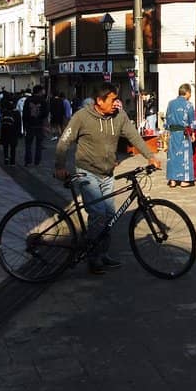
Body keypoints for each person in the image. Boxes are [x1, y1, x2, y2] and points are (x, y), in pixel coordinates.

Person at [54, 82, 163, 275]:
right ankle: (92, 257)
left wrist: (150, 156)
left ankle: (102, 253)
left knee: (109, 215)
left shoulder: (119, 116)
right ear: (99, 101)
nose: (116, 103)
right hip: (87, 172)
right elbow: (64, 141)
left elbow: (134, 136)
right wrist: (60, 166)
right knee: (98, 213)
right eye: (112, 100)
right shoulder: (81, 117)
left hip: (107, 173)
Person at [164, 84, 196, 187]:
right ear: (187, 92)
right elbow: (192, 121)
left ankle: (172, 180)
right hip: (183, 134)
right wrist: (193, 133)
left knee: (172, 156)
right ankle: (184, 180)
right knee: (185, 156)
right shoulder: (188, 105)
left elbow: (167, 119)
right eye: (190, 93)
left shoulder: (171, 103)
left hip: (173, 134)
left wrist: (167, 132)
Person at [23, 85, 48, 166]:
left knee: (28, 144)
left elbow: (24, 113)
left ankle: (28, 160)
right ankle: (37, 161)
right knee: (39, 144)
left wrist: (24, 125)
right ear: (40, 91)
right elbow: (46, 113)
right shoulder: (43, 101)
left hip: (29, 125)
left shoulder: (28, 100)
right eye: (42, 90)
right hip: (39, 125)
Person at [0, 97, 21, 166]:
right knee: (13, 147)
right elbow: (19, 123)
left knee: (5, 146)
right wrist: (19, 132)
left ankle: (6, 158)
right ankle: (12, 161)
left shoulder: (4, 112)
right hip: (14, 132)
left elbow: (2, 122)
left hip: (5, 131)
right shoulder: (17, 113)